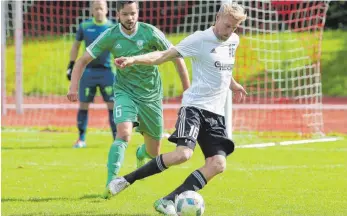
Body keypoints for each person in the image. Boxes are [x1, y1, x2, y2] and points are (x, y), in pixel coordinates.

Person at [109, 2, 248, 215]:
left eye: (234, 28)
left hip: (216, 115)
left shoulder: (233, 41)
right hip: (195, 108)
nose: (230, 32)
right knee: (183, 154)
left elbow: (222, 68)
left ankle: (168, 201)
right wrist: (134, 59)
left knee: (218, 164)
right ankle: (126, 180)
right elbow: (162, 56)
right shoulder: (199, 39)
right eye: (228, 26)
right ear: (218, 17)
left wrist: (233, 83)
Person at [67, 0, 190, 197]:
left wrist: (187, 91)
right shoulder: (110, 35)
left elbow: (177, 57)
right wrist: (73, 87)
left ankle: (141, 153)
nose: (130, 18)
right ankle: (111, 183)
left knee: (153, 153)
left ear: (138, 12)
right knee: (123, 134)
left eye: (133, 13)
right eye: (125, 14)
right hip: (125, 92)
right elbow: (82, 61)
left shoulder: (150, 32)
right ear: (117, 14)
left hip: (151, 96)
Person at [66, 0, 116, 148]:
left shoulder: (113, 27)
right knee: (83, 105)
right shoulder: (85, 26)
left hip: (108, 72)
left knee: (113, 105)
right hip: (88, 72)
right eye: (96, 8)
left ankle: (116, 139)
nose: (99, 11)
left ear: (106, 10)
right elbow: (76, 46)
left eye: (101, 8)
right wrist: (71, 65)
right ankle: (81, 139)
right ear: (92, 11)